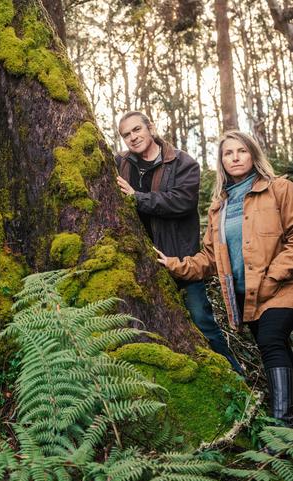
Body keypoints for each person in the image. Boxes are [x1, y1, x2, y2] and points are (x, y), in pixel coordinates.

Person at [156, 131, 293, 425]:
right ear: (222, 162)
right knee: (277, 348)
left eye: (241, 151)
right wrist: (175, 265)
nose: (235, 157)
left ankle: (283, 425)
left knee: (271, 340)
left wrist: (274, 275)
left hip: (283, 287)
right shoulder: (219, 206)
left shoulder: (279, 189)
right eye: (228, 153)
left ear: (253, 155)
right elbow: (209, 259)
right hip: (248, 297)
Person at [115, 111, 243, 374]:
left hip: (182, 260)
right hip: (140, 261)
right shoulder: (121, 163)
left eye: (137, 130)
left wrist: (137, 198)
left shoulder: (183, 163)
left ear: (150, 128)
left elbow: (181, 202)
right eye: (126, 134)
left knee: (201, 320)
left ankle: (235, 377)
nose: (133, 137)